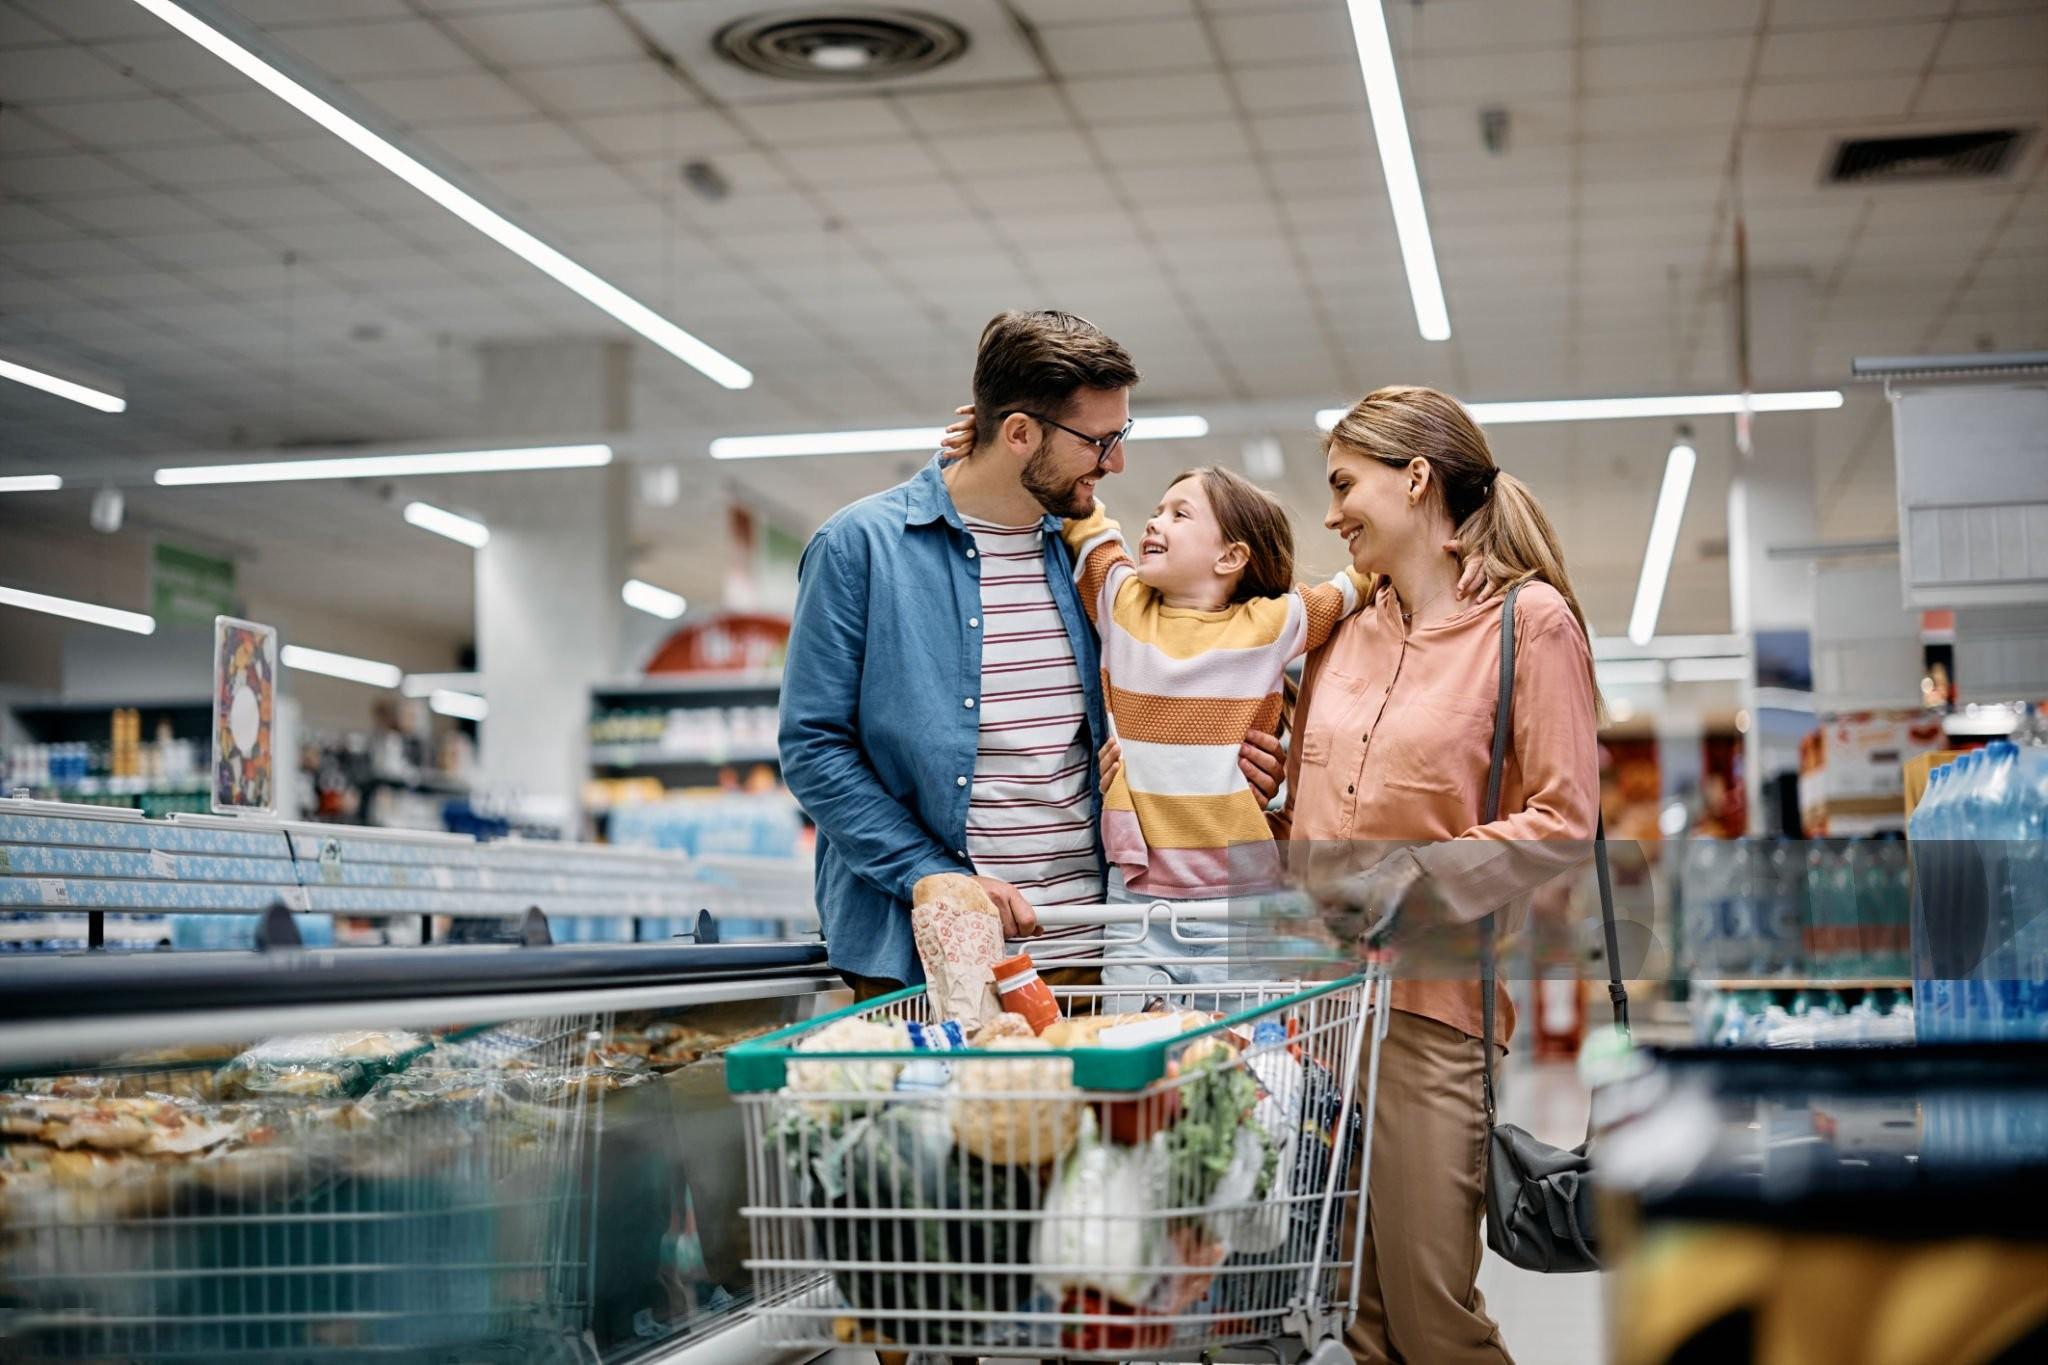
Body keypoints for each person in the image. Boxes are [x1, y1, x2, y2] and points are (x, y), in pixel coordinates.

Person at [1282, 385, 1601, 1364]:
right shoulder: (1343, 629)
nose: (1330, 511)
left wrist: (1407, 880)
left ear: (1414, 478)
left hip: (1430, 1011)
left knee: (1430, 1318)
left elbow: (1561, 820)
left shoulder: (1524, 621)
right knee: (1356, 1319)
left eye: (1344, 484)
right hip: (1316, 1016)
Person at [1056, 466, 1369, 1004]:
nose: (1155, 523)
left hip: (1241, 901)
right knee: (1136, 1055)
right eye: (1157, 511)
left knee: (1241, 1060)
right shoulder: (1122, 604)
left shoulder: (1269, 625)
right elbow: (1086, 523)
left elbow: (1357, 583)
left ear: (1230, 558)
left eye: (1180, 514)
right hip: (1137, 897)